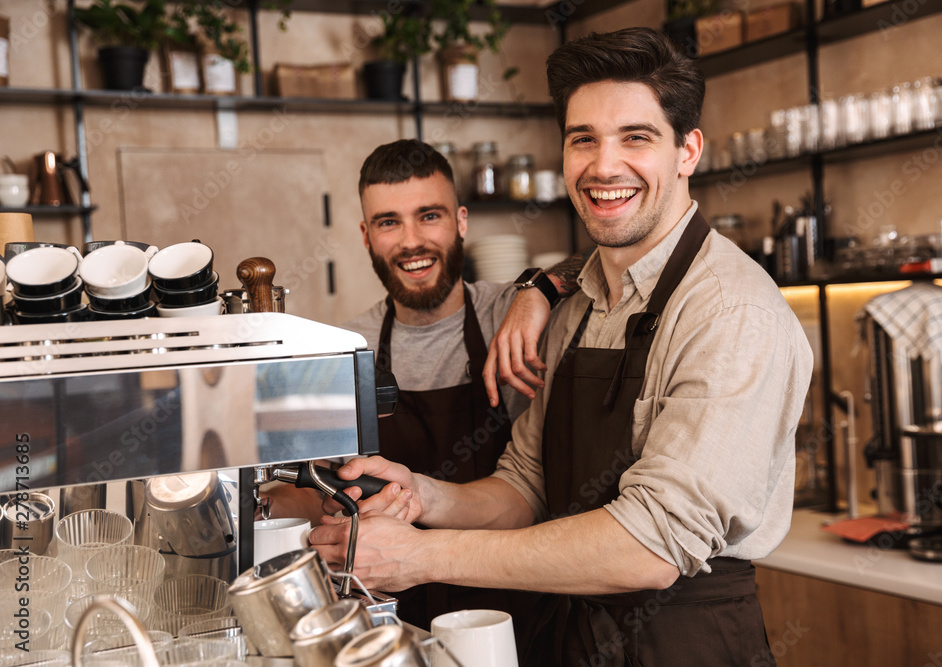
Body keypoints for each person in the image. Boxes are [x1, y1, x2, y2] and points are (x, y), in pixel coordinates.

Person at [311, 28, 813, 665]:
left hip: (683, 646)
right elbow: (528, 485)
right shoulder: (573, 302)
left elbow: (653, 546)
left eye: (636, 137)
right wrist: (422, 496)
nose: (604, 167)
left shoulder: (732, 312)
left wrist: (419, 555)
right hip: (570, 641)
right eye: (584, 140)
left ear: (688, 151)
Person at [266, 138, 586, 633]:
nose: (411, 241)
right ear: (366, 236)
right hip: (400, 616)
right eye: (389, 222)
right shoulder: (348, 349)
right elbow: (320, 489)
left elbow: (604, 262)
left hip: (521, 605)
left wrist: (538, 288)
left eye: (429, 216)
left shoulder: (511, 314)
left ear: (461, 221)